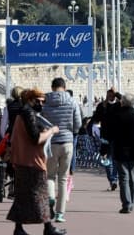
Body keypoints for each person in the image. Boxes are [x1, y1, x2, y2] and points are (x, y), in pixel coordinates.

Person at [6, 88, 65, 235]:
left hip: (21, 159)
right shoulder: (29, 113)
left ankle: (19, 228)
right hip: (32, 161)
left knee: (23, 196)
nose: (41, 104)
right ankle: (48, 228)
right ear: (31, 100)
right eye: (39, 101)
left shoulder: (22, 113)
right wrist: (51, 131)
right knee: (40, 195)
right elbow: (36, 138)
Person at [41, 78, 81, 223]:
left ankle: (51, 197)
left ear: (52, 87)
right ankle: (60, 214)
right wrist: (72, 131)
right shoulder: (72, 101)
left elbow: (41, 120)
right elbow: (78, 123)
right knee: (63, 179)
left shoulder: (45, 102)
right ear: (64, 87)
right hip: (67, 142)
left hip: (51, 142)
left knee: (50, 175)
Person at [110, 93, 134, 214]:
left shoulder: (116, 117)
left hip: (120, 151)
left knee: (123, 178)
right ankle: (132, 202)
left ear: (122, 103)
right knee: (133, 178)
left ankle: (126, 203)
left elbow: (111, 134)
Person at [92, 88, 122, 190]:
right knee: (107, 159)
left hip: (117, 137)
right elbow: (96, 118)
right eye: (109, 94)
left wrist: (117, 93)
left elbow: (126, 103)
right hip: (106, 137)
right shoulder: (102, 106)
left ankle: (113, 179)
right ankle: (112, 180)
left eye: (113, 94)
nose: (111, 96)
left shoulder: (119, 105)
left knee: (115, 159)